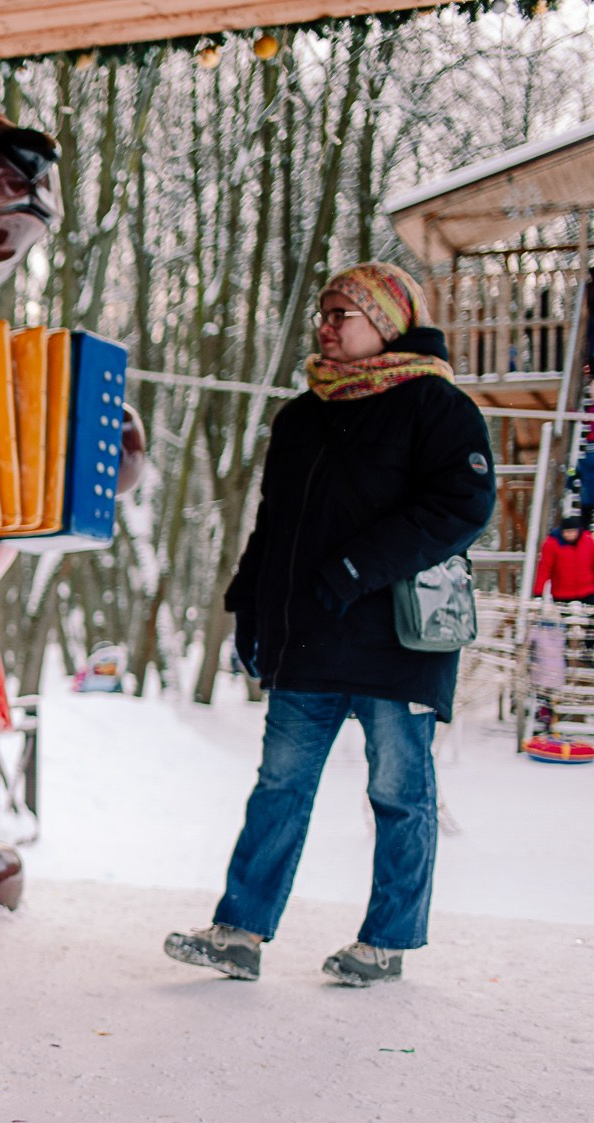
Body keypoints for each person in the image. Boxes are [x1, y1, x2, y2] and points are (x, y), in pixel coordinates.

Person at [165, 262, 494, 987]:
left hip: (399, 644)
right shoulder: (301, 416)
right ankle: (239, 931)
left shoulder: (436, 407)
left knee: (398, 792)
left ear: (385, 322)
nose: (326, 322)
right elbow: (273, 526)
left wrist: (357, 568)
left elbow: (461, 507)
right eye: (323, 309)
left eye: (343, 310)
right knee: (279, 786)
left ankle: (385, 942)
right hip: (310, 640)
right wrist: (248, 610)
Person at [532, 514, 594, 605]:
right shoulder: (551, 544)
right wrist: (538, 592)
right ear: (562, 532)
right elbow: (544, 569)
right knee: (566, 618)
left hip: (588, 590)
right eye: (567, 532)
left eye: (573, 531)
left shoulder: (588, 541)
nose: (570, 535)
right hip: (562, 593)